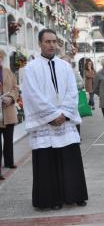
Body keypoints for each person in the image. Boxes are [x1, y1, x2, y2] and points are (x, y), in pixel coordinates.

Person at [21, 29, 88, 210]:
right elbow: (32, 95)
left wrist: (64, 114)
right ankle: (52, 199)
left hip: (64, 121)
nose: (51, 45)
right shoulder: (30, 69)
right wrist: (52, 116)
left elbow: (72, 92)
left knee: (70, 160)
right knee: (47, 162)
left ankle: (75, 195)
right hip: (46, 124)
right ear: (40, 44)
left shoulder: (65, 67)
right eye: (47, 42)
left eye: (54, 42)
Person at [0, 48, 18, 181]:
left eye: (0, 57)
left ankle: (9, 161)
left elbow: (15, 89)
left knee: (8, 140)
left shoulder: (8, 72)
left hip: (8, 111)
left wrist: (10, 98)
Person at [61, 55, 84, 134]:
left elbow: (81, 83)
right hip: (60, 100)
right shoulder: (56, 72)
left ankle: (77, 135)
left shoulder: (74, 71)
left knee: (74, 117)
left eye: (66, 63)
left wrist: (72, 86)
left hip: (73, 99)